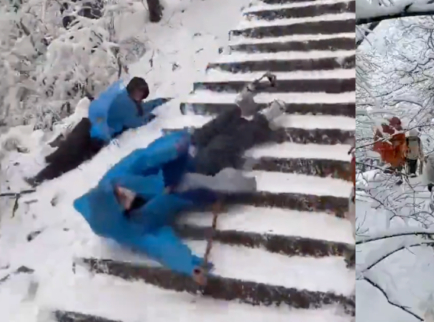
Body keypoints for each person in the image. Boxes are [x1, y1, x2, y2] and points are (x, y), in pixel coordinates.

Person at [73, 80, 285, 286]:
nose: (125, 194)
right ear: (119, 214)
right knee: (222, 146)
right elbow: (162, 247)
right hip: (185, 183)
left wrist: (174, 148)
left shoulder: (115, 179)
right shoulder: (132, 229)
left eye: (119, 192)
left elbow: (143, 157)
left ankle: (239, 107)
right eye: (121, 201)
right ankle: (263, 120)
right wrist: (190, 266)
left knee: (210, 130)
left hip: (173, 156)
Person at [26, 77, 169, 187]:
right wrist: (150, 117)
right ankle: (40, 179)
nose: (140, 95)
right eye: (138, 91)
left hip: (87, 124)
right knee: (70, 161)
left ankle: (47, 162)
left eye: (142, 93)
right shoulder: (127, 105)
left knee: (67, 148)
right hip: (95, 138)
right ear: (132, 89)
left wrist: (159, 102)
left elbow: (141, 108)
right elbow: (136, 121)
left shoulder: (122, 96)